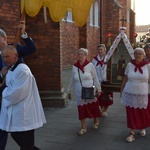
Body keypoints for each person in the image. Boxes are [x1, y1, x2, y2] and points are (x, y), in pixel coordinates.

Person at [0, 21, 37, 150]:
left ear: (4, 38)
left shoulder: (15, 47)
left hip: (17, 95)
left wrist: (23, 34)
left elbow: (32, 49)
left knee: (19, 133)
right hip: (4, 93)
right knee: (7, 130)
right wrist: (1, 73)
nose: (5, 59)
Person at [0, 45, 46, 150]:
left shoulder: (22, 70)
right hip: (17, 112)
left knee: (25, 142)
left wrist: (2, 89)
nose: (5, 59)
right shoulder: (11, 68)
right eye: (3, 57)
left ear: (16, 56)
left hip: (25, 113)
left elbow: (16, 93)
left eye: (7, 56)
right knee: (16, 135)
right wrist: (3, 75)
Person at [67, 48, 101, 135]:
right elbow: (72, 79)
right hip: (79, 91)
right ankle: (83, 127)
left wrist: (98, 89)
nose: (80, 56)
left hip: (89, 90)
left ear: (86, 56)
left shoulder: (90, 65)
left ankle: (96, 121)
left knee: (93, 106)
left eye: (82, 54)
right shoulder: (75, 66)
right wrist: (69, 91)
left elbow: (95, 77)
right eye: (79, 54)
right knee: (81, 109)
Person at [121, 47, 150, 142]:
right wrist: (122, 89)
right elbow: (125, 78)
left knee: (142, 111)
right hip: (130, 91)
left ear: (143, 55)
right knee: (131, 112)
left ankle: (142, 127)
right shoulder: (129, 65)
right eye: (136, 53)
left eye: (140, 53)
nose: (137, 55)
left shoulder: (148, 66)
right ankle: (132, 132)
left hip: (143, 93)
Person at [92, 44, 113, 117]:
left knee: (107, 96)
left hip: (106, 81)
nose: (100, 51)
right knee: (98, 96)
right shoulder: (94, 59)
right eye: (99, 50)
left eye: (101, 49)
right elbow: (92, 70)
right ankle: (101, 108)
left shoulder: (108, 59)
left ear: (105, 50)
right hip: (97, 81)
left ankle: (105, 110)